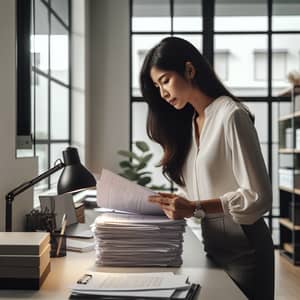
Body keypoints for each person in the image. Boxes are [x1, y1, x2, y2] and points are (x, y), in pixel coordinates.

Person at [140, 36, 274, 300]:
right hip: (212, 247)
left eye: (165, 80)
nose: (163, 93)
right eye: (157, 86)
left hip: (246, 250)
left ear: (189, 70)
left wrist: (195, 207)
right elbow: (198, 196)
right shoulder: (190, 124)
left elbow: (258, 197)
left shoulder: (231, 115)